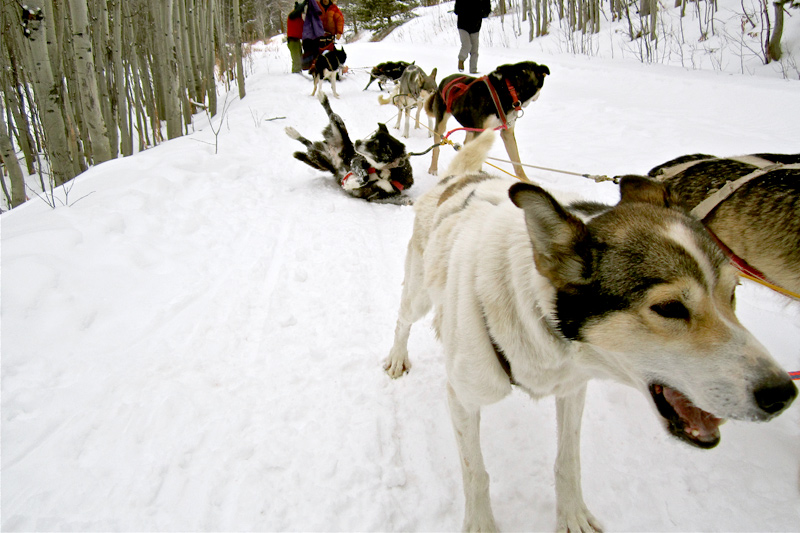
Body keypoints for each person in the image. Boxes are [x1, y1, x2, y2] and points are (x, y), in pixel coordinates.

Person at [454, 0, 492, 74]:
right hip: (463, 25)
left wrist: (482, 13)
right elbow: (457, 9)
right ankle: (461, 60)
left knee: (474, 50)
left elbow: (487, 9)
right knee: (467, 45)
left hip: (475, 26)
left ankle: (473, 71)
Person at [301, 0, 324, 70]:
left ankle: (311, 67)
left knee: (312, 53)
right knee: (313, 53)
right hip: (312, 35)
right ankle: (312, 68)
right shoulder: (310, 8)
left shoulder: (311, 7)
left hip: (310, 35)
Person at [287, 2, 305, 73]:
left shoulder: (299, 18)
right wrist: (305, 2)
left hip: (297, 41)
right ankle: (295, 76)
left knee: (299, 60)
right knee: (297, 61)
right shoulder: (292, 15)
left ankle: (298, 75)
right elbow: (297, 11)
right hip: (292, 41)